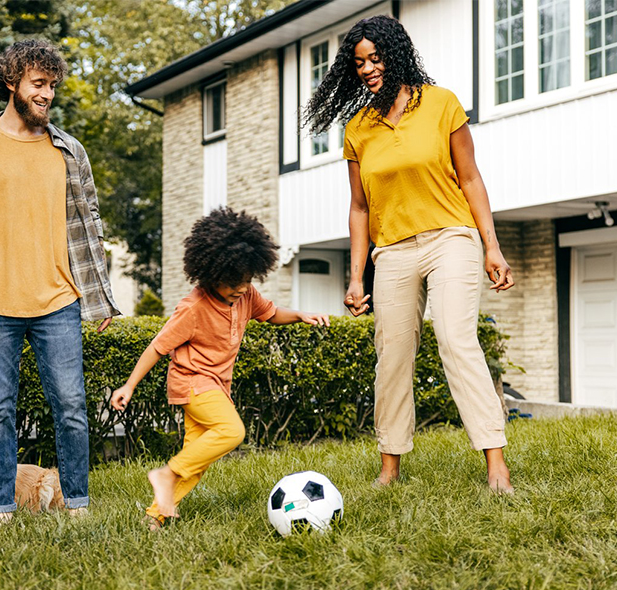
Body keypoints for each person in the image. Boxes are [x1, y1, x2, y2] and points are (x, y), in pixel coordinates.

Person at [304, 15, 515, 493]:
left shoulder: (441, 105)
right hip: (394, 250)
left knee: (456, 339)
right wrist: (356, 276)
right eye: (359, 62)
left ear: (396, 54)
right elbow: (359, 208)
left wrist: (492, 247)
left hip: (450, 237)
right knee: (392, 353)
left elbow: (471, 178)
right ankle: (390, 468)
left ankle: (496, 465)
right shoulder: (359, 128)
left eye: (376, 58)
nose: (368, 69)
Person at [0, 40, 120, 527]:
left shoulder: (70, 151)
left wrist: (99, 298)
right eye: (38, 84)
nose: (47, 94)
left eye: (52, 86)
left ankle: (77, 505)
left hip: (59, 302)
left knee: (72, 406)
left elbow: (90, 224)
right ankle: (3, 509)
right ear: (11, 82)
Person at [110, 207, 330, 528]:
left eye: (247, 280)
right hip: (192, 383)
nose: (241, 288)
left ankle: (154, 518)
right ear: (212, 272)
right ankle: (165, 473)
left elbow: (271, 312)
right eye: (233, 282)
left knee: (196, 461)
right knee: (231, 431)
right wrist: (128, 386)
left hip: (215, 386)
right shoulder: (194, 308)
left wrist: (301, 315)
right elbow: (157, 347)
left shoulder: (246, 295)